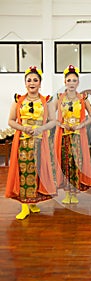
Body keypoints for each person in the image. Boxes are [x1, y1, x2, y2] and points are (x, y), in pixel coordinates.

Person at [5, 66, 57, 220]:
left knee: (38, 172)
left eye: (35, 80)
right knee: (24, 172)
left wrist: (41, 128)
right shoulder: (18, 100)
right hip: (23, 143)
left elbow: (53, 121)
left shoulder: (47, 101)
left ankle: (34, 202)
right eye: (29, 80)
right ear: (25, 83)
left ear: (40, 83)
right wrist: (23, 128)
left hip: (40, 142)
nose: (32, 83)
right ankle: (24, 206)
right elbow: (10, 121)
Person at [54, 64, 91, 204]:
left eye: (74, 81)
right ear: (64, 82)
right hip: (64, 135)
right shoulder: (59, 97)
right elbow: (49, 115)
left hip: (78, 135)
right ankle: (66, 192)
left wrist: (81, 124)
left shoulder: (83, 97)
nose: (71, 83)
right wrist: (60, 124)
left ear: (78, 83)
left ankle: (74, 193)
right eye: (69, 80)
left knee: (76, 163)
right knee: (65, 163)